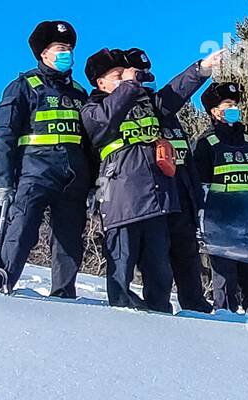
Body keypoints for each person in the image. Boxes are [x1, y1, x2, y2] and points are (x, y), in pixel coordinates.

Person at [80, 47, 224, 312]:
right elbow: (103, 122)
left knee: (159, 266)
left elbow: (174, 92)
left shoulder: (148, 106)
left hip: (157, 201)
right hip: (122, 202)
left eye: (126, 74)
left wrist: (201, 68)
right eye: (117, 75)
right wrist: (127, 86)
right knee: (121, 263)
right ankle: (122, 312)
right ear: (101, 82)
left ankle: (160, 314)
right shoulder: (93, 108)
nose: (126, 78)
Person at [0, 20, 92, 295]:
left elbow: (89, 142)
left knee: (69, 239)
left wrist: (92, 183)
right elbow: (4, 135)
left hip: (74, 179)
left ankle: (64, 294)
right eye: (59, 47)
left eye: (69, 48)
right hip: (35, 173)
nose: (66, 53)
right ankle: (1, 285)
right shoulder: (23, 86)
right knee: (21, 230)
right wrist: (2, 179)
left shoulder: (80, 93)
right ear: (43, 53)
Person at [122, 47, 211, 313]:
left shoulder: (167, 115)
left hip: (182, 198)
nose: (145, 79)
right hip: (154, 199)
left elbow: (186, 160)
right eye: (139, 74)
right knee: (157, 258)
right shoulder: (128, 109)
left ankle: (195, 304)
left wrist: (196, 195)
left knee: (188, 256)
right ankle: (157, 306)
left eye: (147, 74)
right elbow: (178, 89)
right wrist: (200, 70)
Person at [191, 81, 248, 315]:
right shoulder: (207, 143)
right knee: (225, 283)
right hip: (221, 227)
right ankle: (227, 328)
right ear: (214, 111)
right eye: (228, 104)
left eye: (235, 104)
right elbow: (200, 187)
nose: (233, 109)